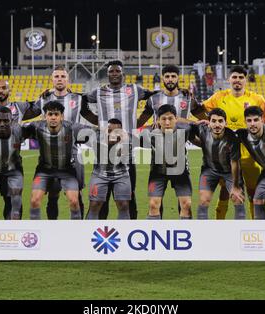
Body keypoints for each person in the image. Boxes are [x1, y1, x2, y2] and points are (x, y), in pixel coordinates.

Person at [81, 60, 156, 220]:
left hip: (127, 150)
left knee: (129, 195)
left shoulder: (135, 90)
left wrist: (137, 124)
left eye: (117, 71)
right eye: (111, 71)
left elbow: (153, 100)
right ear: (107, 74)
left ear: (123, 74)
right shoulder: (98, 92)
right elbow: (82, 104)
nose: (114, 73)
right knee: (102, 197)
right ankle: (98, 232)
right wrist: (98, 121)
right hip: (104, 150)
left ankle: (130, 230)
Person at [0, 79, 41, 249]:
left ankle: (12, 235)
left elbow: (38, 106)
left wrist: (46, 94)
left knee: (12, 201)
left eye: (4, 88)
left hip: (13, 164)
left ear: (9, 91)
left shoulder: (19, 107)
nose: (1, 90)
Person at [202, 65, 265, 220]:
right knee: (226, 191)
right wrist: (205, 121)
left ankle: (257, 224)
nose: (237, 80)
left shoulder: (257, 99)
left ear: (245, 80)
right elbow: (201, 110)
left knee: (253, 191)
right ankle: (219, 223)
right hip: (226, 154)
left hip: (251, 153)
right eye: (234, 77)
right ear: (229, 79)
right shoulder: (218, 97)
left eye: (241, 77)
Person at [23, 101, 91, 220]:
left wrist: (108, 131)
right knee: (34, 201)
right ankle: (37, 235)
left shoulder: (72, 128)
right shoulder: (37, 127)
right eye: (50, 114)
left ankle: (77, 234)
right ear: (45, 116)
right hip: (44, 171)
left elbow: (93, 132)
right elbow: (15, 131)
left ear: (62, 116)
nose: (53, 117)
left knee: (74, 201)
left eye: (56, 114)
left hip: (67, 171)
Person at [35, 66, 85, 220]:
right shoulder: (43, 98)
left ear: (68, 80)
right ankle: (52, 228)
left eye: (63, 76)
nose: (59, 79)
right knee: (53, 194)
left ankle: (79, 229)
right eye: (56, 77)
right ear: (52, 80)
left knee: (77, 195)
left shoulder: (78, 98)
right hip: (49, 153)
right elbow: (28, 112)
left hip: (74, 152)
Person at [140, 104, 197, 219]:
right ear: (158, 120)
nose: (167, 122)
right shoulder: (148, 134)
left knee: (186, 204)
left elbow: (200, 130)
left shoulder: (186, 130)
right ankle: (154, 234)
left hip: (180, 171)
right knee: (153, 204)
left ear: (176, 119)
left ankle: (186, 234)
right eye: (163, 119)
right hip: (158, 172)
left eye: (170, 118)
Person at [193, 108, 246, 219]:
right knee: (203, 200)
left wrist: (236, 186)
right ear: (208, 122)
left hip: (229, 172)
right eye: (214, 121)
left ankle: (239, 232)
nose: (217, 125)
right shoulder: (201, 129)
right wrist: (195, 123)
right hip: (209, 170)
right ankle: (201, 233)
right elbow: (183, 127)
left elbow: (235, 163)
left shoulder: (232, 138)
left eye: (220, 121)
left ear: (226, 123)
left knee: (238, 199)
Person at [137, 64, 208, 128]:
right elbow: (140, 123)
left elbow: (205, 120)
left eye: (173, 76)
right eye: (167, 76)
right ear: (163, 79)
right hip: (159, 140)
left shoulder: (188, 98)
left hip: (183, 140)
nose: (170, 79)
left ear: (178, 78)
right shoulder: (153, 99)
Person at [86, 119, 131, 220]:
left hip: (122, 175)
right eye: (110, 131)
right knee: (94, 205)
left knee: (123, 205)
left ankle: (124, 232)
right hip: (99, 174)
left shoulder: (129, 139)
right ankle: (87, 232)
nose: (113, 134)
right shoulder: (96, 138)